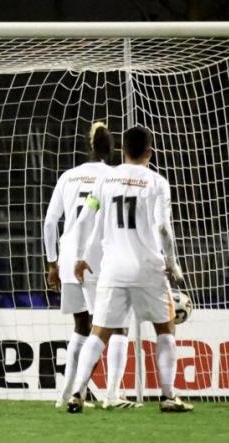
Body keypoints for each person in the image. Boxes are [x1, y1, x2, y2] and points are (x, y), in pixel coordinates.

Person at [67, 126, 193, 413]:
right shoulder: (157, 182)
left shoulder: (105, 180)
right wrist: (172, 263)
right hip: (149, 269)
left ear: (122, 150)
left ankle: (77, 394)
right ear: (149, 152)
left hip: (113, 270)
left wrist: (81, 256)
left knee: (99, 332)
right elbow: (163, 227)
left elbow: (86, 216)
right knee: (165, 328)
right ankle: (168, 395)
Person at [44, 122, 137, 409]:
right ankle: (112, 395)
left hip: (69, 256)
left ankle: (68, 394)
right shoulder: (115, 177)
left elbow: (50, 223)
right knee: (117, 327)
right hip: (99, 260)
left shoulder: (69, 176)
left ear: (89, 147)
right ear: (112, 151)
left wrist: (52, 263)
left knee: (81, 327)